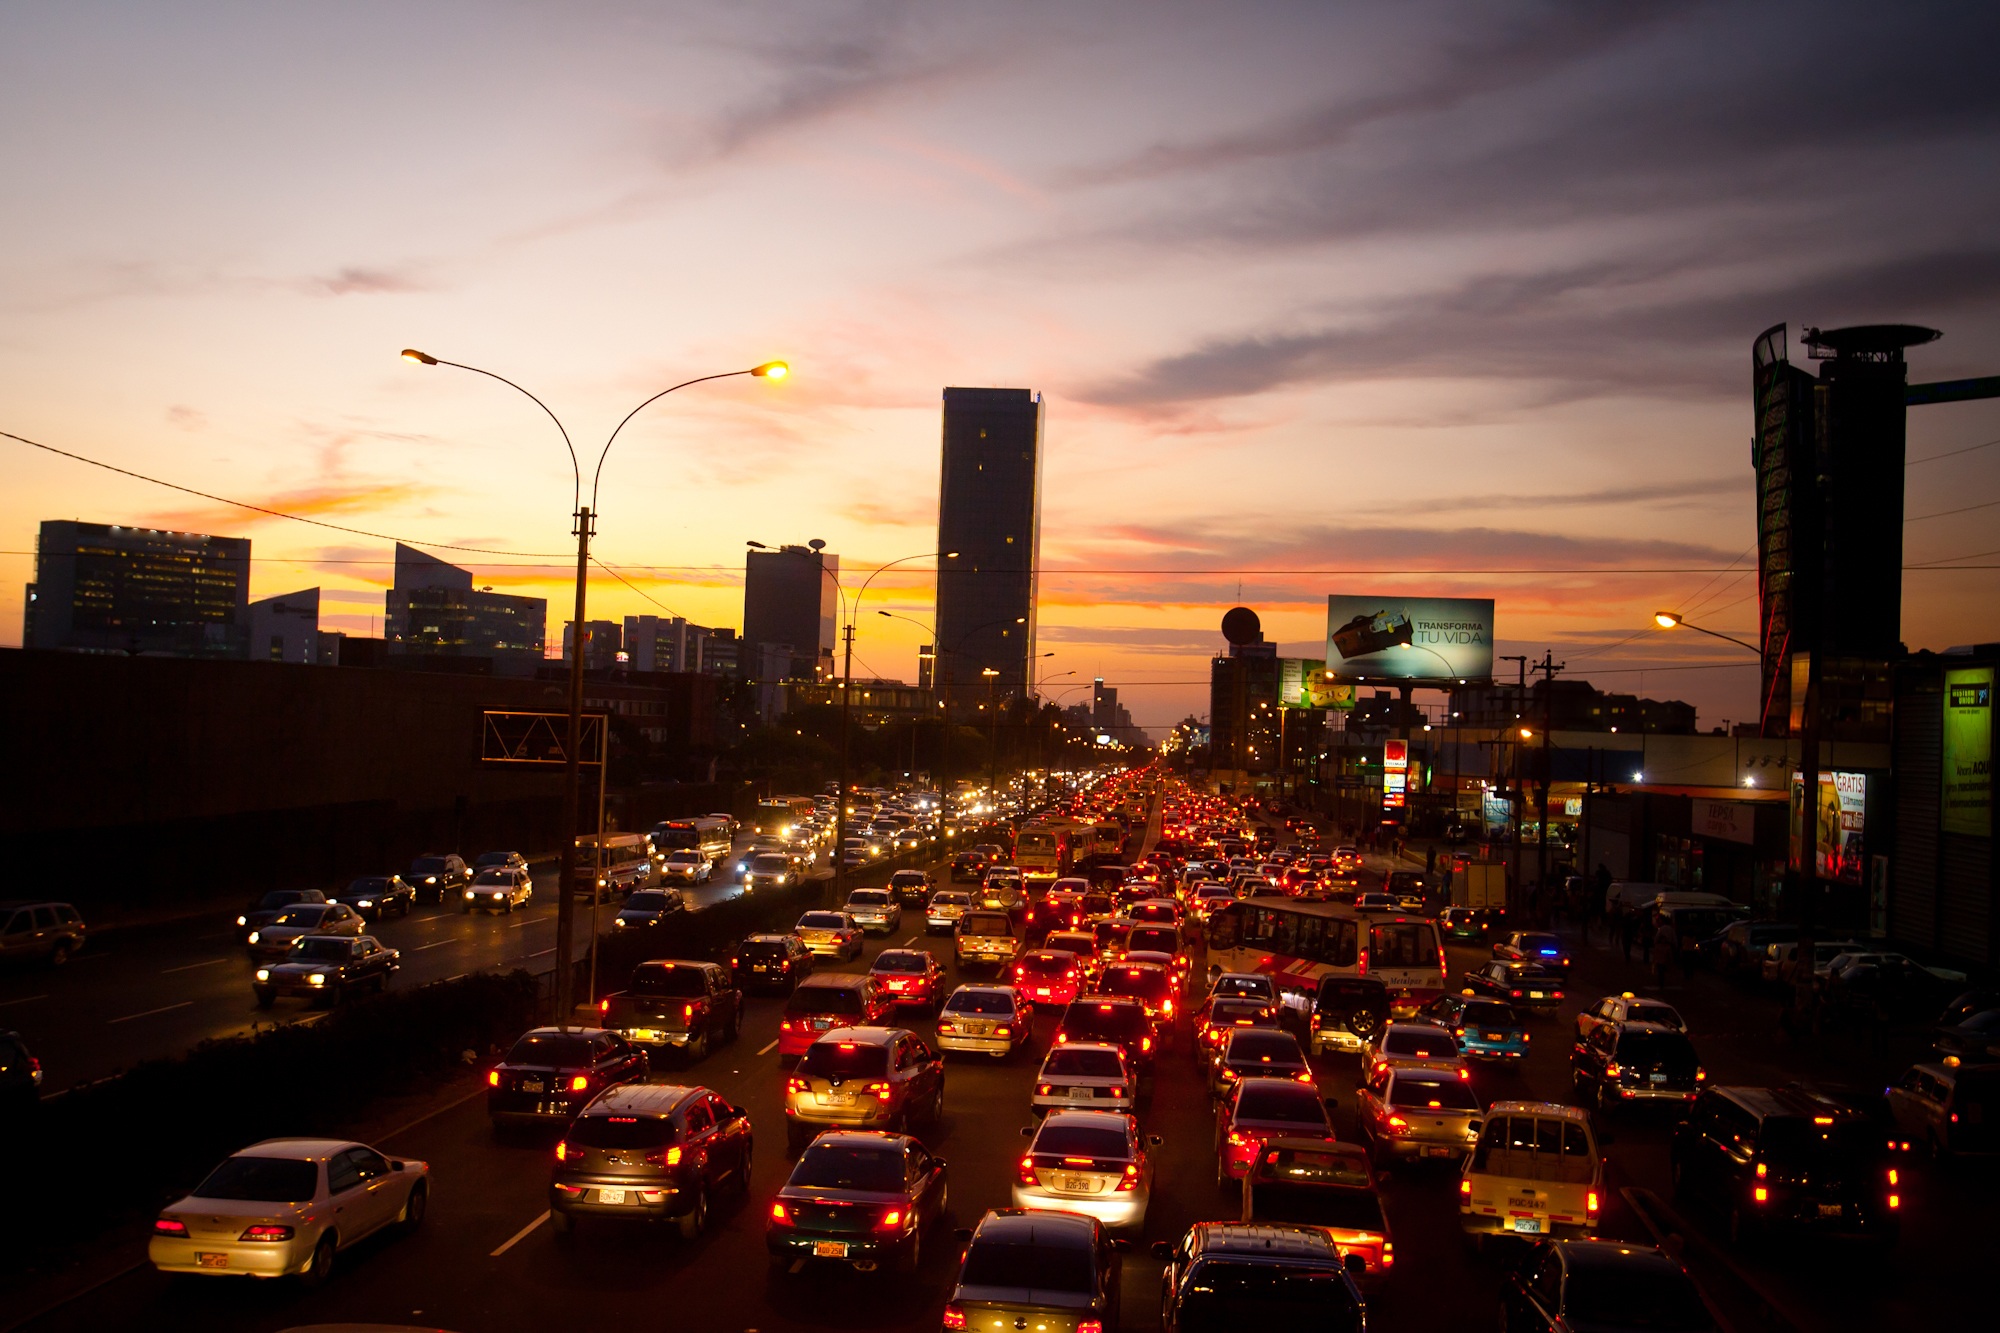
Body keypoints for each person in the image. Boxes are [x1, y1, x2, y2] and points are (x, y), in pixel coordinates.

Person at [1651, 919, 1679, 990]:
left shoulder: (1661, 929)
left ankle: (1661, 979)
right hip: (1668, 947)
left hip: (1661, 952)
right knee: (1667, 964)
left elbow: (1657, 937)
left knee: (1660, 968)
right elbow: (1674, 939)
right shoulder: (1671, 930)